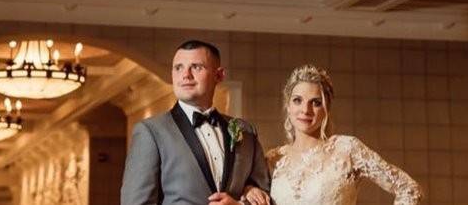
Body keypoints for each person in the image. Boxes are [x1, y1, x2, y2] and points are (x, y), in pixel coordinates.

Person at [121, 40, 271, 205]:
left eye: (196, 67)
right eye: (178, 68)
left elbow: (266, 193)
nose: (185, 75)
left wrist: (245, 197)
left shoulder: (246, 131)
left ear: (219, 75)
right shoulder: (150, 132)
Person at [250, 64, 421, 205]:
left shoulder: (347, 149)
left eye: (315, 103)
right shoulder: (273, 160)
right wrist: (248, 190)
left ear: (326, 109)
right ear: (288, 106)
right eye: (298, 100)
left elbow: (410, 189)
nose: (305, 110)